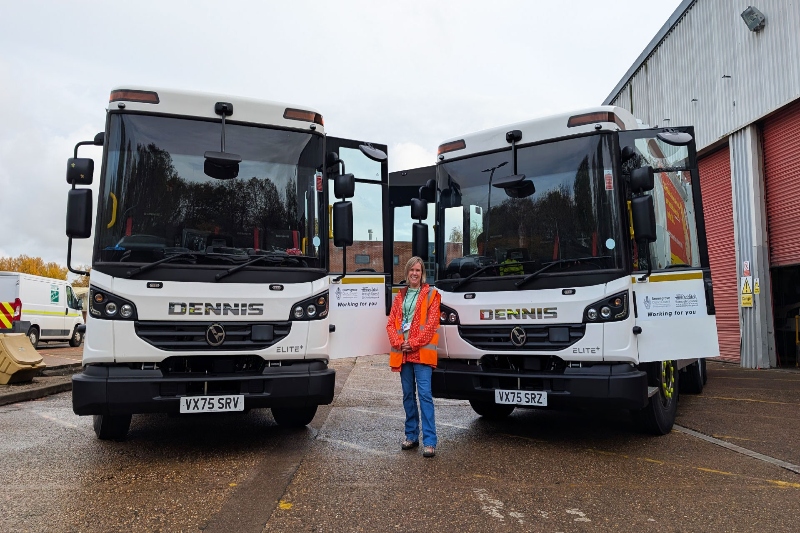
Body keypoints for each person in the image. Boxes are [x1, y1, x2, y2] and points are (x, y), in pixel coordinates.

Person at [386, 256, 441, 458]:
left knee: (425, 396)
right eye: (412, 270)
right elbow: (391, 324)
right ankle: (411, 436)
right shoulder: (400, 296)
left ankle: (430, 441)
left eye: (418, 270)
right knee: (408, 396)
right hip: (404, 353)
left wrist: (413, 343)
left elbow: (431, 324)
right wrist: (400, 343)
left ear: (422, 273)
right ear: (407, 272)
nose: (415, 273)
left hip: (422, 352)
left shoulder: (431, 295)